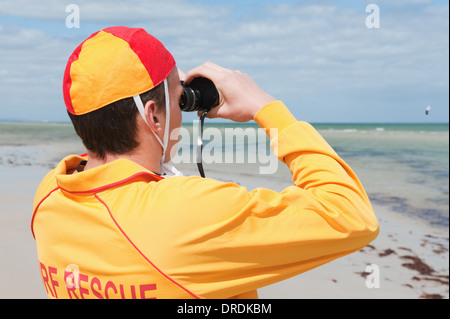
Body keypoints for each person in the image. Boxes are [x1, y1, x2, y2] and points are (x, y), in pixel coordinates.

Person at [31, 26, 379, 299]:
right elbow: (349, 214)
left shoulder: (49, 197)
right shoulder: (186, 215)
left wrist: (166, 87)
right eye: (179, 99)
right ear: (152, 116)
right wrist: (266, 106)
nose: (181, 113)